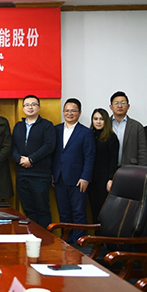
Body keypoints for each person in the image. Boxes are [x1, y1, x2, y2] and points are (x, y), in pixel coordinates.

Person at [52, 98, 95, 243]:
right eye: (67, 110)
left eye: (73, 111)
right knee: (63, 212)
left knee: (79, 212)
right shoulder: (56, 130)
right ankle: (66, 241)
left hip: (78, 179)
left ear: (79, 113)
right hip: (59, 177)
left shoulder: (86, 132)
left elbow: (89, 156)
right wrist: (52, 174)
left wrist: (85, 177)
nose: (69, 113)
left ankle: (79, 242)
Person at [11, 95, 55, 228]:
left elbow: (49, 146)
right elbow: (13, 146)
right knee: (28, 210)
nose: (30, 107)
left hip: (40, 175)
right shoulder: (18, 126)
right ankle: (32, 236)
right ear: (23, 108)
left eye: (33, 104)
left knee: (42, 209)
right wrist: (19, 159)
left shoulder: (47, 125)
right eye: (27, 105)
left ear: (39, 107)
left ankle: (46, 238)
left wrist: (31, 159)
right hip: (22, 174)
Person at [89, 108, 119, 224]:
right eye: (95, 119)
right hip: (91, 178)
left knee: (104, 209)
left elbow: (113, 160)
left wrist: (111, 179)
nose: (98, 122)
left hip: (105, 178)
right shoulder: (89, 135)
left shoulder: (111, 137)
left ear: (106, 121)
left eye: (101, 119)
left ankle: (104, 234)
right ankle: (96, 234)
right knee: (94, 208)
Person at [109, 91, 147, 167]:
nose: (120, 106)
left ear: (128, 106)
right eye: (116, 103)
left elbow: (142, 151)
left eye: (123, 103)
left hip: (130, 167)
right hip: (108, 168)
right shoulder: (105, 124)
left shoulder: (137, 126)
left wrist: (142, 169)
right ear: (111, 107)